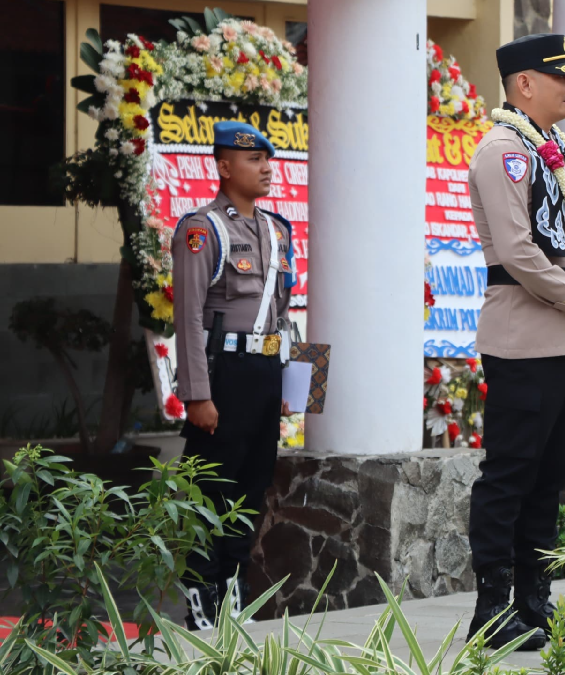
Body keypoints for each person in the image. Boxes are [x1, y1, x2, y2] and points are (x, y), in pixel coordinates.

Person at [466, 33, 565, 650]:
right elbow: (520, 251)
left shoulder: (554, 149)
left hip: (563, 338)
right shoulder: (503, 150)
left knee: (550, 474)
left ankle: (534, 603)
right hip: (524, 337)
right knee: (510, 475)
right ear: (523, 84)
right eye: (561, 77)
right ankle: (492, 613)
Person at [172, 121, 296, 630]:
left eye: (269, 159)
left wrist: (295, 386)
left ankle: (233, 597)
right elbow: (188, 316)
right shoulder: (202, 228)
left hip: (267, 372)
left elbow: (285, 314)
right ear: (224, 167)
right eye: (253, 160)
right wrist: (197, 395)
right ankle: (200, 603)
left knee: (251, 490)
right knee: (212, 492)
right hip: (224, 374)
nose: (266, 168)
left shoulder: (276, 228)